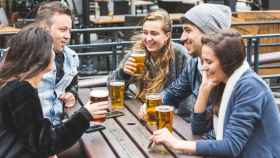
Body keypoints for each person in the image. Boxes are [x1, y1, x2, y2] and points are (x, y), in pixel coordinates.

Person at [150, 29, 280, 157]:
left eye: (209, 62)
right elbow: (198, 130)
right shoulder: (223, 81)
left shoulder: (250, 87)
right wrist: (203, 91)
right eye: (203, 61)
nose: (203, 67)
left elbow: (231, 146)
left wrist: (176, 143)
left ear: (227, 63)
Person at [0, 26, 108, 158]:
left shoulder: (15, 84)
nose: (54, 54)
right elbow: (45, 145)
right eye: (50, 49)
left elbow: (34, 138)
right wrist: (85, 115)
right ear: (41, 56)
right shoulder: (21, 89)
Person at [161, 3, 232, 121]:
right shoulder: (195, 64)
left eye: (188, 30)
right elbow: (172, 94)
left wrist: (181, 140)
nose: (182, 38)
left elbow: (219, 128)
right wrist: (151, 105)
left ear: (209, 33)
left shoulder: (229, 73)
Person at [110, 9, 188, 101]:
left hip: (169, 112)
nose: (148, 38)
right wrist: (123, 74)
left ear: (167, 36)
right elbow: (111, 89)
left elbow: (187, 95)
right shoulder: (137, 53)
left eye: (154, 33)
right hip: (142, 108)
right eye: (145, 32)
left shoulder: (180, 54)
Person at [35, 1, 79, 126]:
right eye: (63, 30)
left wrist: (72, 94)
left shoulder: (71, 57)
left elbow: (74, 83)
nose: (68, 36)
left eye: (69, 31)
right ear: (44, 28)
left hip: (58, 129)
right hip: (32, 136)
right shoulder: (24, 58)